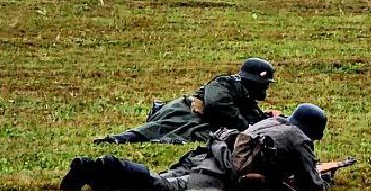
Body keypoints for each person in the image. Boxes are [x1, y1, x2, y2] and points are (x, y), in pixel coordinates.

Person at [62, 105, 333, 191]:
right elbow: (312, 184)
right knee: (161, 187)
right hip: (219, 171)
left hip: (209, 153)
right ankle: (101, 167)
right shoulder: (299, 139)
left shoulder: (274, 121)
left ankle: (99, 178)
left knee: (163, 178)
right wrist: (326, 177)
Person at [94, 57, 275, 145]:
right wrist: (244, 126)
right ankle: (115, 140)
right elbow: (216, 104)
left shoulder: (246, 97)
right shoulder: (225, 83)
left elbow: (255, 121)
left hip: (200, 122)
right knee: (153, 130)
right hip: (184, 112)